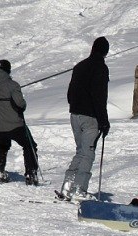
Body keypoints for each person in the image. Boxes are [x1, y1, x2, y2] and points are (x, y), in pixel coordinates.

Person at [57, 36, 110, 201]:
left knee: (80, 152)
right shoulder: (101, 68)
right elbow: (99, 96)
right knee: (88, 154)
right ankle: (79, 189)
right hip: (90, 117)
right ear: (105, 52)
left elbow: (70, 93)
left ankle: (67, 187)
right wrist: (104, 121)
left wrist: (75, 106)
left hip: (75, 115)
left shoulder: (79, 66)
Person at [0, 59, 40, 185]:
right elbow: (20, 103)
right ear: (8, 70)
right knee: (29, 145)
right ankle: (31, 173)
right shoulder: (13, 84)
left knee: (1, 145)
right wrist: (23, 105)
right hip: (14, 123)